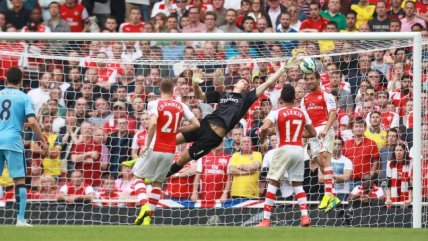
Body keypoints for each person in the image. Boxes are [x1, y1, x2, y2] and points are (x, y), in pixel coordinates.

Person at [166, 58, 299, 177]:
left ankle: (162, 177)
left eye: (246, 84)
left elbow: (268, 82)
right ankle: (150, 163)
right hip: (203, 125)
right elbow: (200, 96)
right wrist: (195, 84)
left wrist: (283, 69)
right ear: (236, 83)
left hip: (212, 137)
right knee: (170, 141)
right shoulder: (222, 95)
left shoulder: (245, 99)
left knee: (183, 158)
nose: (244, 83)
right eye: (242, 81)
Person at [132, 77, 200, 226]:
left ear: (160, 89)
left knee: (137, 177)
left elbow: (153, 123)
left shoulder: (154, 103)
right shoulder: (181, 105)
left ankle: (144, 206)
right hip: (170, 150)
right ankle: (148, 219)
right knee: (157, 183)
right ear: (173, 89)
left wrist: (146, 144)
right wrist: (178, 129)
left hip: (155, 146)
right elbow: (196, 124)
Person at [256, 84, 316, 227]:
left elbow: (264, 127)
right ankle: (305, 216)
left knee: (273, 182)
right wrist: (299, 134)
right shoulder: (302, 112)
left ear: (281, 98)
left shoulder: (277, 112)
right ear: (295, 98)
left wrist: (262, 139)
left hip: (283, 148)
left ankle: (265, 220)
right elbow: (313, 133)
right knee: (297, 184)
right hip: (298, 149)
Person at [0, 67, 48, 227]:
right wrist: (42, 140)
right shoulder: (24, 97)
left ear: (5, 79)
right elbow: (33, 122)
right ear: (21, 80)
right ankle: (20, 219)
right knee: (19, 180)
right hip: (13, 141)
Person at [301, 71, 340, 212]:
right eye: (307, 79)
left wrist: (325, 129)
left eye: (312, 78)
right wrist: (303, 135)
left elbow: (333, 113)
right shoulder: (304, 99)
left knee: (325, 159)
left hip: (324, 129)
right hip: (312, 134)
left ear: (318, 80)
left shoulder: (326, 95)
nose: (309, 81)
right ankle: (334, 196)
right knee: (321, 165)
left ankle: (328, 196)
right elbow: (304, 120)